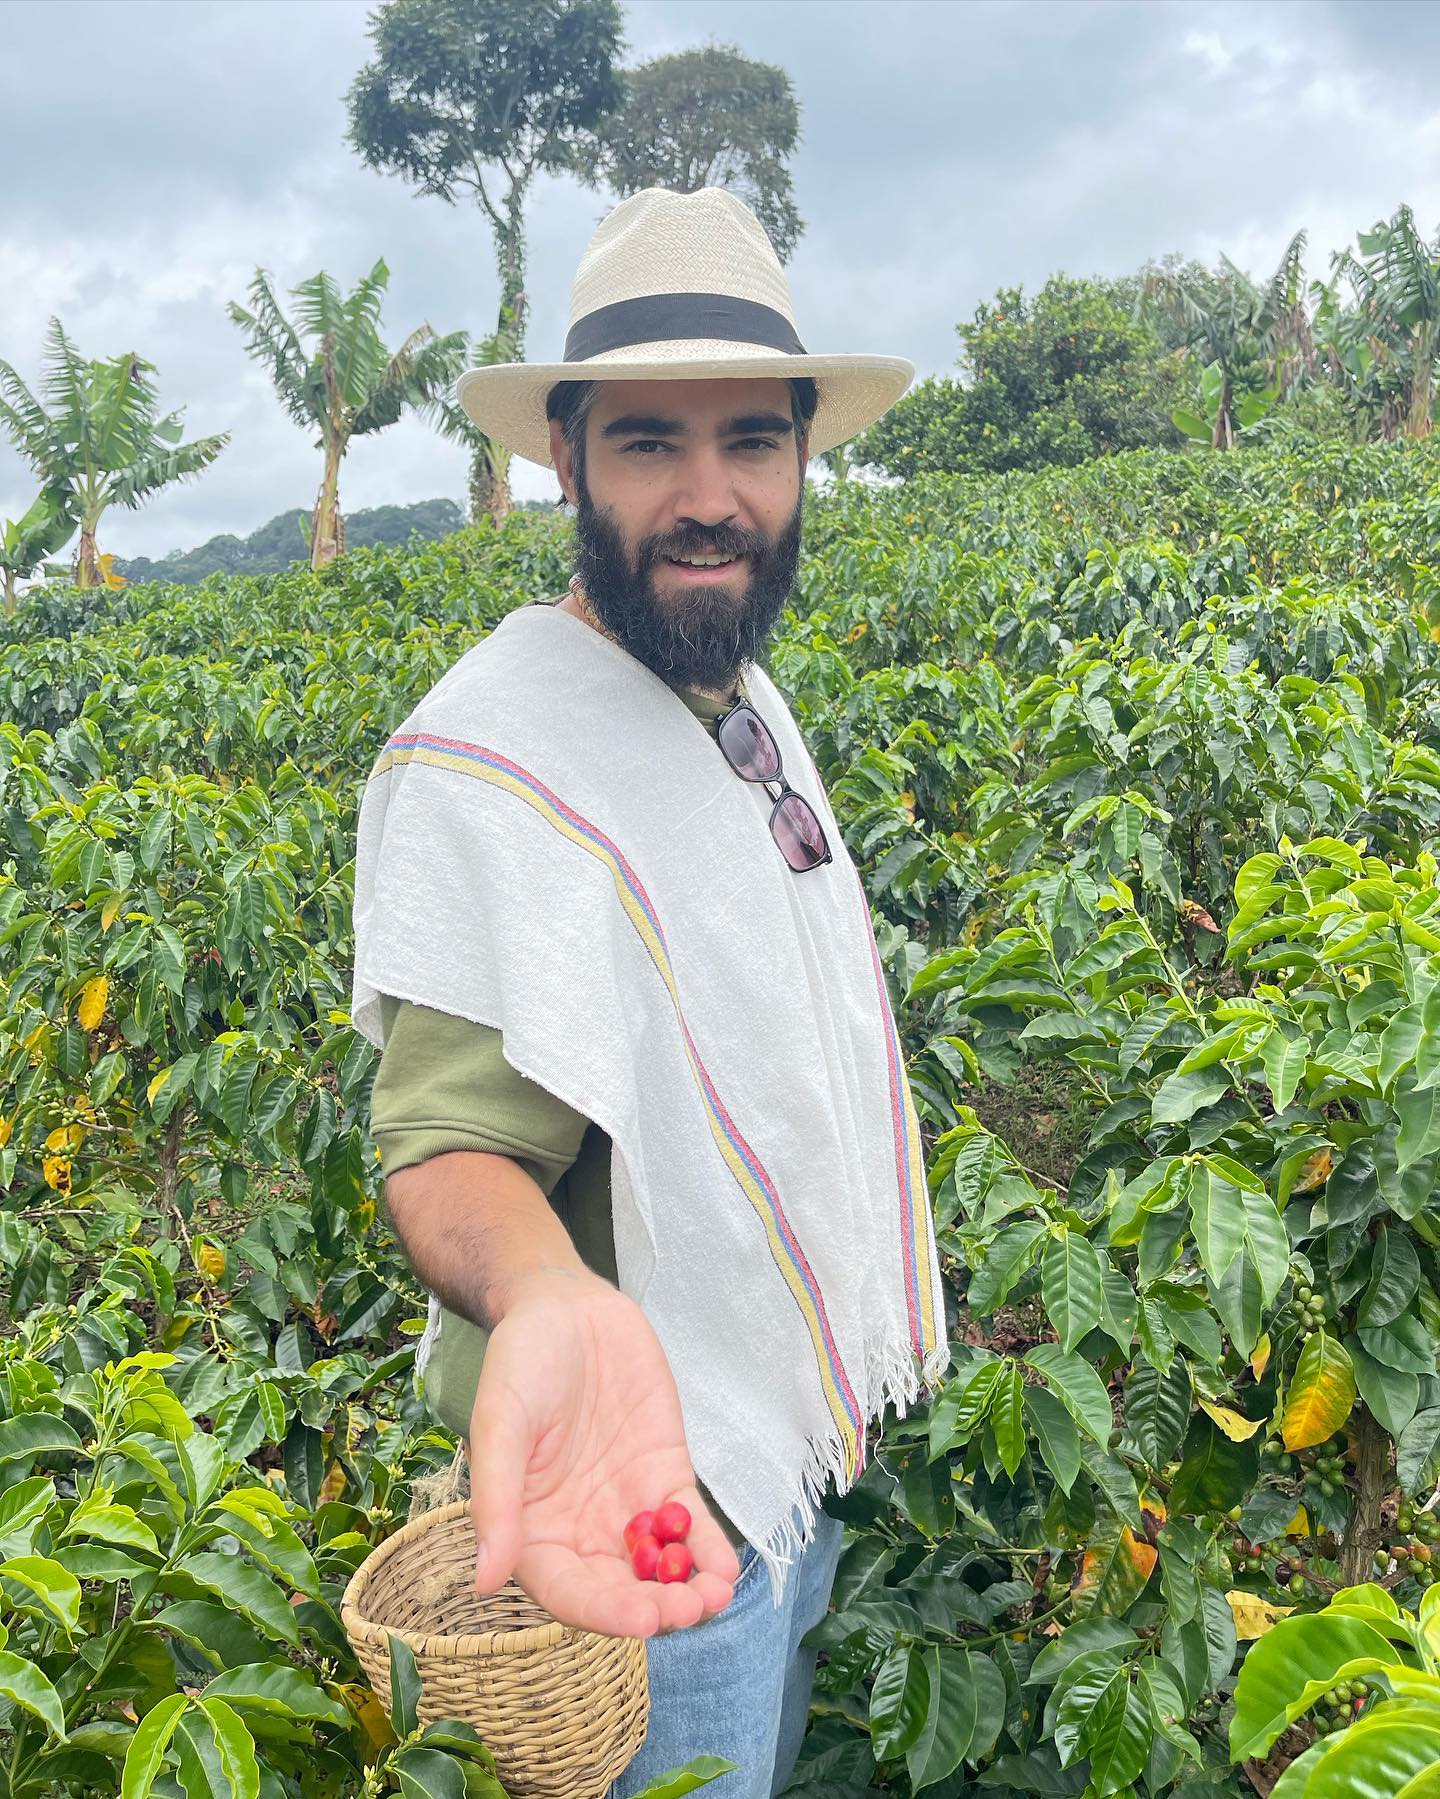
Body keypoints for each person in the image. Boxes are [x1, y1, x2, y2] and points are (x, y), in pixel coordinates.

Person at [350, 186, 948, 1799]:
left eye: (751, 442)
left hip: (779, 1453)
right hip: (642, 1504)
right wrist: (549, 1297)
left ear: (807, 457)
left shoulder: (728, 694)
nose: (710, 498)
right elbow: (446, 1146)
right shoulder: (511, 756)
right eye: (647, 447)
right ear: (566, 459)